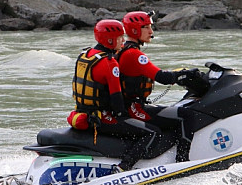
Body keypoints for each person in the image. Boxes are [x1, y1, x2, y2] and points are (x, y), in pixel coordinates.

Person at [69, 19, 163, 171]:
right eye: (120, 38)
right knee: (153, 133)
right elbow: (116, 99)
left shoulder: (85, 55)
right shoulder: (109, 63)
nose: (123, 41)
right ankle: (124, 167)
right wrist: (127, 116)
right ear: (110, 40)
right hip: (101, 118)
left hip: (83, 113)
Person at [118, 11, 201, 161]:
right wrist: (186, 73)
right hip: (134, 109)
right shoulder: (134, 55)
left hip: (128, 106)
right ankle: (182, 160)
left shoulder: (123, 48)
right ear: (135, 30)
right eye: (146, 27)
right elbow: (163, 77)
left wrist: (178, 74)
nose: (151, 31)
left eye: (151, 27)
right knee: (186, 115)